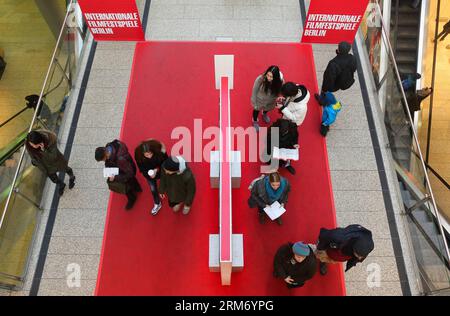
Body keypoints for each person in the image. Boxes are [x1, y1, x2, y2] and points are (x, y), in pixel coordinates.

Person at [95, 140, 142, 210]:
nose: (104, 161)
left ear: (106, 154)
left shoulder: (120, 159)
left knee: (127, 187)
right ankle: (137, 188)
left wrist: (115, 177)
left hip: (125, 171)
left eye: (103, 159)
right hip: (127, 166)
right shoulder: (111, 145)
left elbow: (129, 174)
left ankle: (132, 198)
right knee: (132, 180)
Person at [26, 129, 75, 196]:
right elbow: (32, 156)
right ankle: (61, 185)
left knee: (66, 168)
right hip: (46, 167)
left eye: (34, 145)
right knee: (54, 179)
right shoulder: (29, 144)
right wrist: (34, 162)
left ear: (40, 143)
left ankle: (72, 177)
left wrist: (44, 150)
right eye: (31, 145)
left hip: (56, 161)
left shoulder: (50, 141)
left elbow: (53, 157)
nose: (32, 146)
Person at [134, 139, 168, 215]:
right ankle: (157, 203)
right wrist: (149, 175)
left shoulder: (159, 152)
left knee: (166, 182)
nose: (149, 156)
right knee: (153, 189)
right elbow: (141, 169)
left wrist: (157, 169)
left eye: (150, 154)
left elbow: (165, 162)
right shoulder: (138, 156)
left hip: (161, 172)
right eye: (146, 155)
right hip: (149, 175)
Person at [251, 65, 284, 131]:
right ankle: (255, 120)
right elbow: (255, 90)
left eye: (271, 77)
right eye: (268, 75)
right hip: (259, 100)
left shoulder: (280, 82)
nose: (268, 78)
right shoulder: (261, 79)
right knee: (256, 110)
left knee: (267, 109)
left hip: (271, 101)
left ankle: (264, 113)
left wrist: (279, 98)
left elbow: (280, 91)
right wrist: (254, 102)